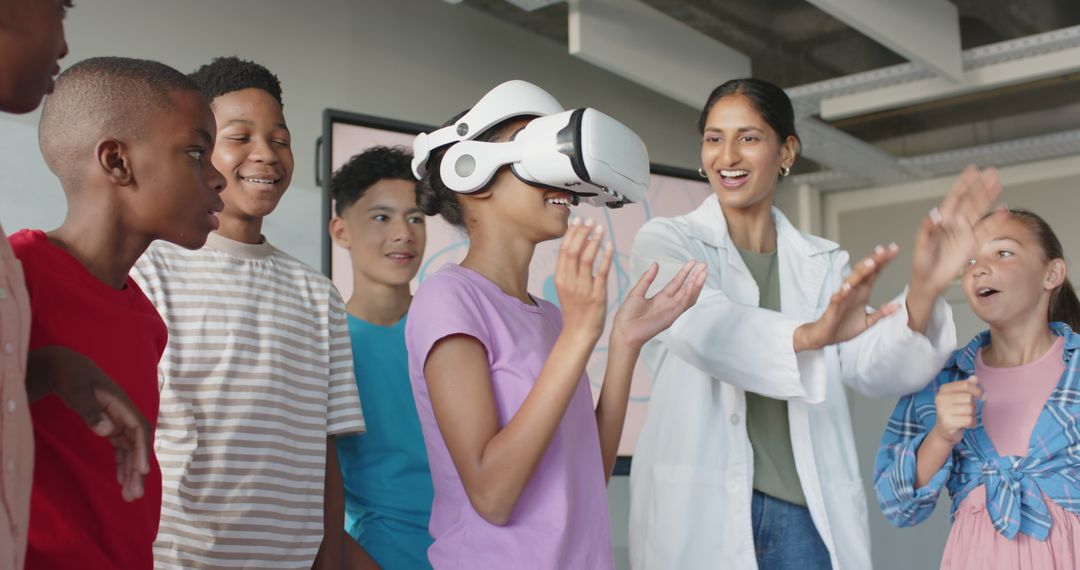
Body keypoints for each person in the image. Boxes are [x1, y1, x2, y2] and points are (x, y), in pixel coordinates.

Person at [627, 77, 1001, 569]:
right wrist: (811, 336)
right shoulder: (667, 240)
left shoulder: (820, 261)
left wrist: (926, 287)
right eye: (714, 138)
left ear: (787, 151)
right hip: (703, 512)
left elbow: (873, 368)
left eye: (749, 137)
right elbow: (704, 329)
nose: (727, 156)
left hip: (804, 516)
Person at [406, 81, 707, 569]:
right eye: (531, 149)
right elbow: (492, 495)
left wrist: (623, 342)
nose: (562, 180)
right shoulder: (449, 299)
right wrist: (579, 337)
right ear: (473, 174)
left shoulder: (550, 316)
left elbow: (589, 473)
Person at [131, 56, 365, 570]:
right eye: (240, 137)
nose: (266, 155)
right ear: (198, 150)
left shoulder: (318, 295)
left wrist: (329, 559)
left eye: (280, 140)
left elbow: (323, 452)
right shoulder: (148, 272)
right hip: (175, 558)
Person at [11, 56, 225, 568]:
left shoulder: (146, 319)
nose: (217, 178)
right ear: (116, 162)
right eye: (196, 152)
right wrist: (46, 367)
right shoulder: (18, 274)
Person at [876, 208, 1080, 569]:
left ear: (1052, 273)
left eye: (1002, 252)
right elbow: (897, 504)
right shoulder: (941, 377)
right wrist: (941, 435)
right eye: (969, 259)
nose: (979, 268)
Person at [328, 145, 433, 569]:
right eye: (381, 217)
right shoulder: (325, 345)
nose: (404, 233)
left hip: (477, 547)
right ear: (341, 232)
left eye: (415, 218)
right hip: (376, 555)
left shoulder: (450, 332)